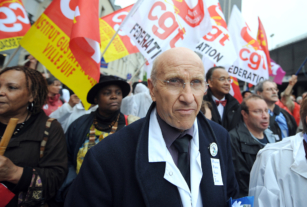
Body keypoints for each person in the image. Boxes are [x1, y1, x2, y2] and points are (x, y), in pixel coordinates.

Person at [64, 47, 239, 206]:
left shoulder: (220, 137)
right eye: (174, 82)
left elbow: (230, 197)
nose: (188, 97)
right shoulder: (106, 157)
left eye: (196, 82)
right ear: (152, 89)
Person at [0, 66, 67, 206]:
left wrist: (14, 173)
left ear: (32, 95)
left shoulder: (49, 128)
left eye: (12, 88)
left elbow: (55, 181)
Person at [57, 74, 130, 201]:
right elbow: (65, 159)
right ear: (96, 99)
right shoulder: (78, 125)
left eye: (118, 93)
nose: (114, 96)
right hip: (80, 195)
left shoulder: (133, 126)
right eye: (107, 93)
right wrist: (71, 188)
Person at [229, 95, 278, 198]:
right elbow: (241, 179)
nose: (265, 116)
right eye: (258, 111)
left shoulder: (274, 136)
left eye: (266, 110)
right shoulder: (234, 139)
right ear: (244, 114)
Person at [203, 66, 241, 131]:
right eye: (222, 79)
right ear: (210, 82)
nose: (227, 83)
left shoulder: (236, 105)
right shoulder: (201, 104)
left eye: (228, 80)